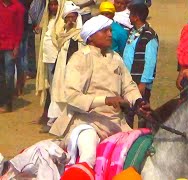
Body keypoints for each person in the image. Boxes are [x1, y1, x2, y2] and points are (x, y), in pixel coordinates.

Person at [49, 15, 151, 169]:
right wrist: (106, 100)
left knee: (142, 153)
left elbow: (129, 86)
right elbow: (72, 96)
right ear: (91, 37)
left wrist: (138, 102)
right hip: (86, 122)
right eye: (104, 31)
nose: (110, 34)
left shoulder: (115, 57)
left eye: (110, 31)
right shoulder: (79, 58)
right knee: (88, 154)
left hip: (117, 123)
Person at [42, 1, 84, 133]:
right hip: (62, 68)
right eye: (68, 17)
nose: (71, 20)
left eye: (73, 17)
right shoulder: (62, 34)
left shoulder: (81, 35)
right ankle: (53, 122)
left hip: (76, 70)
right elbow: (60, 44)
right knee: (58, 94)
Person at [123, 3, 158, 127]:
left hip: (139, 82)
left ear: (136, 17)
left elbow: (150, 61)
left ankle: (143, 138)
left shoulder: (149, 35)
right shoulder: (132, 32)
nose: (128, 17)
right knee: (127, 112)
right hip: (129, 81)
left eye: (130, 15)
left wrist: (144, 82)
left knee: (142, 113)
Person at [0, 0, 25, 113]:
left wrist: (16, 46)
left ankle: (8, 103)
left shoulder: (17, 7)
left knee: (9, 76)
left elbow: (19, 28)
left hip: (10, 46)